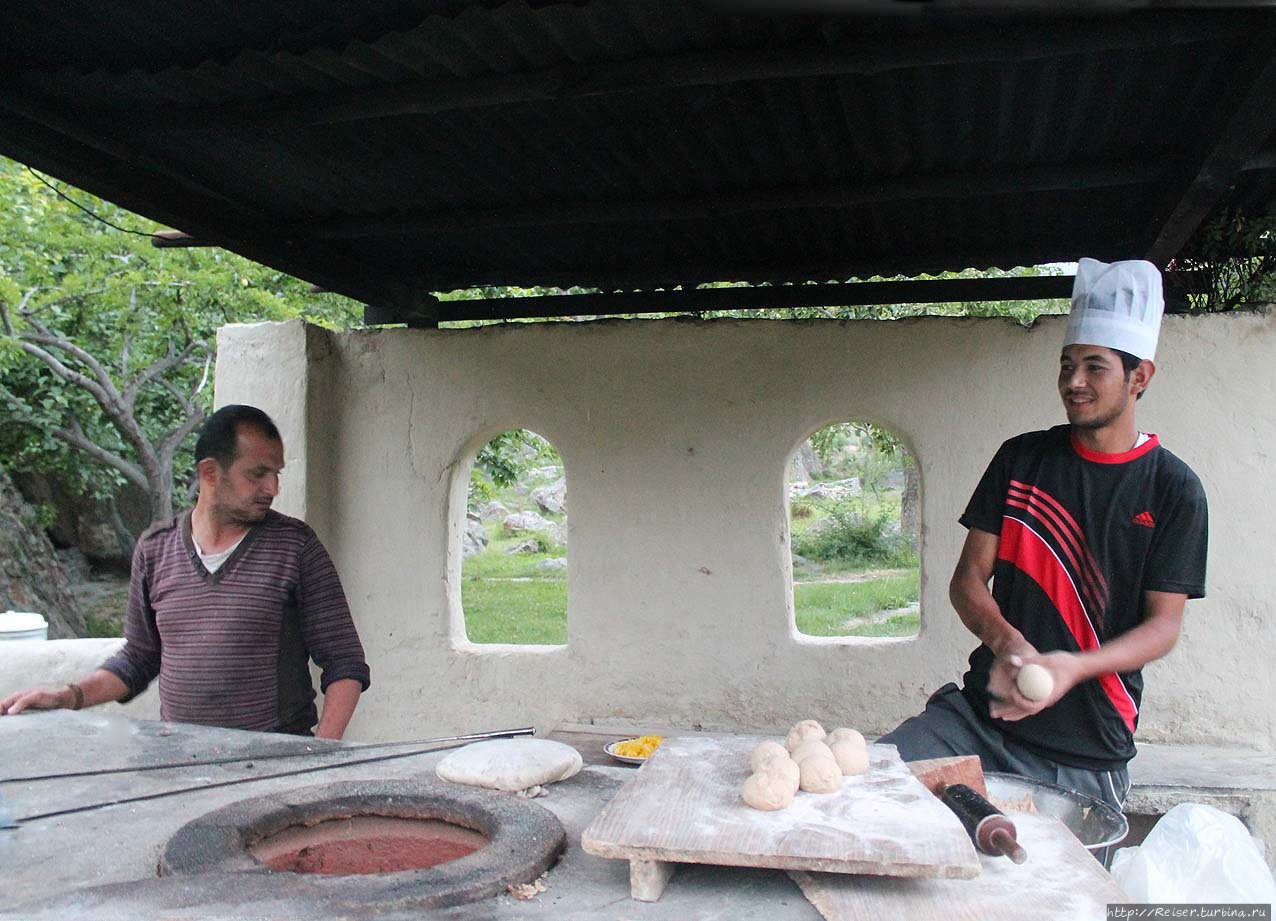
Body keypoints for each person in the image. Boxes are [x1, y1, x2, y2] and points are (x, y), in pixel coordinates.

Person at [879, 258, 1208, 812]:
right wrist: (1007, 643)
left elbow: (1163, 627)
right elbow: (967, 582)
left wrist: (1071, 667)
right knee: (867, 793)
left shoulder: (1174, 489)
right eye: (1066, 365)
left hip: (1085, 751)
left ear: (1139, 377)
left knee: (1058, 895)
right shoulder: (1021, 459)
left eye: (1094, 367)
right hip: (976, 722)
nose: (1074, 382)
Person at [0, 404, 370, 739]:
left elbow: (345, 663)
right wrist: (67, 697)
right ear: (210, 472)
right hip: (180, 763)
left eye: (276, 473)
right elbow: (139, 658)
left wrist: (321, 750)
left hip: (274, 764)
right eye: (257, 474)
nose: (272, 487)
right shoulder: (155, 549)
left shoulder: (295, 548)